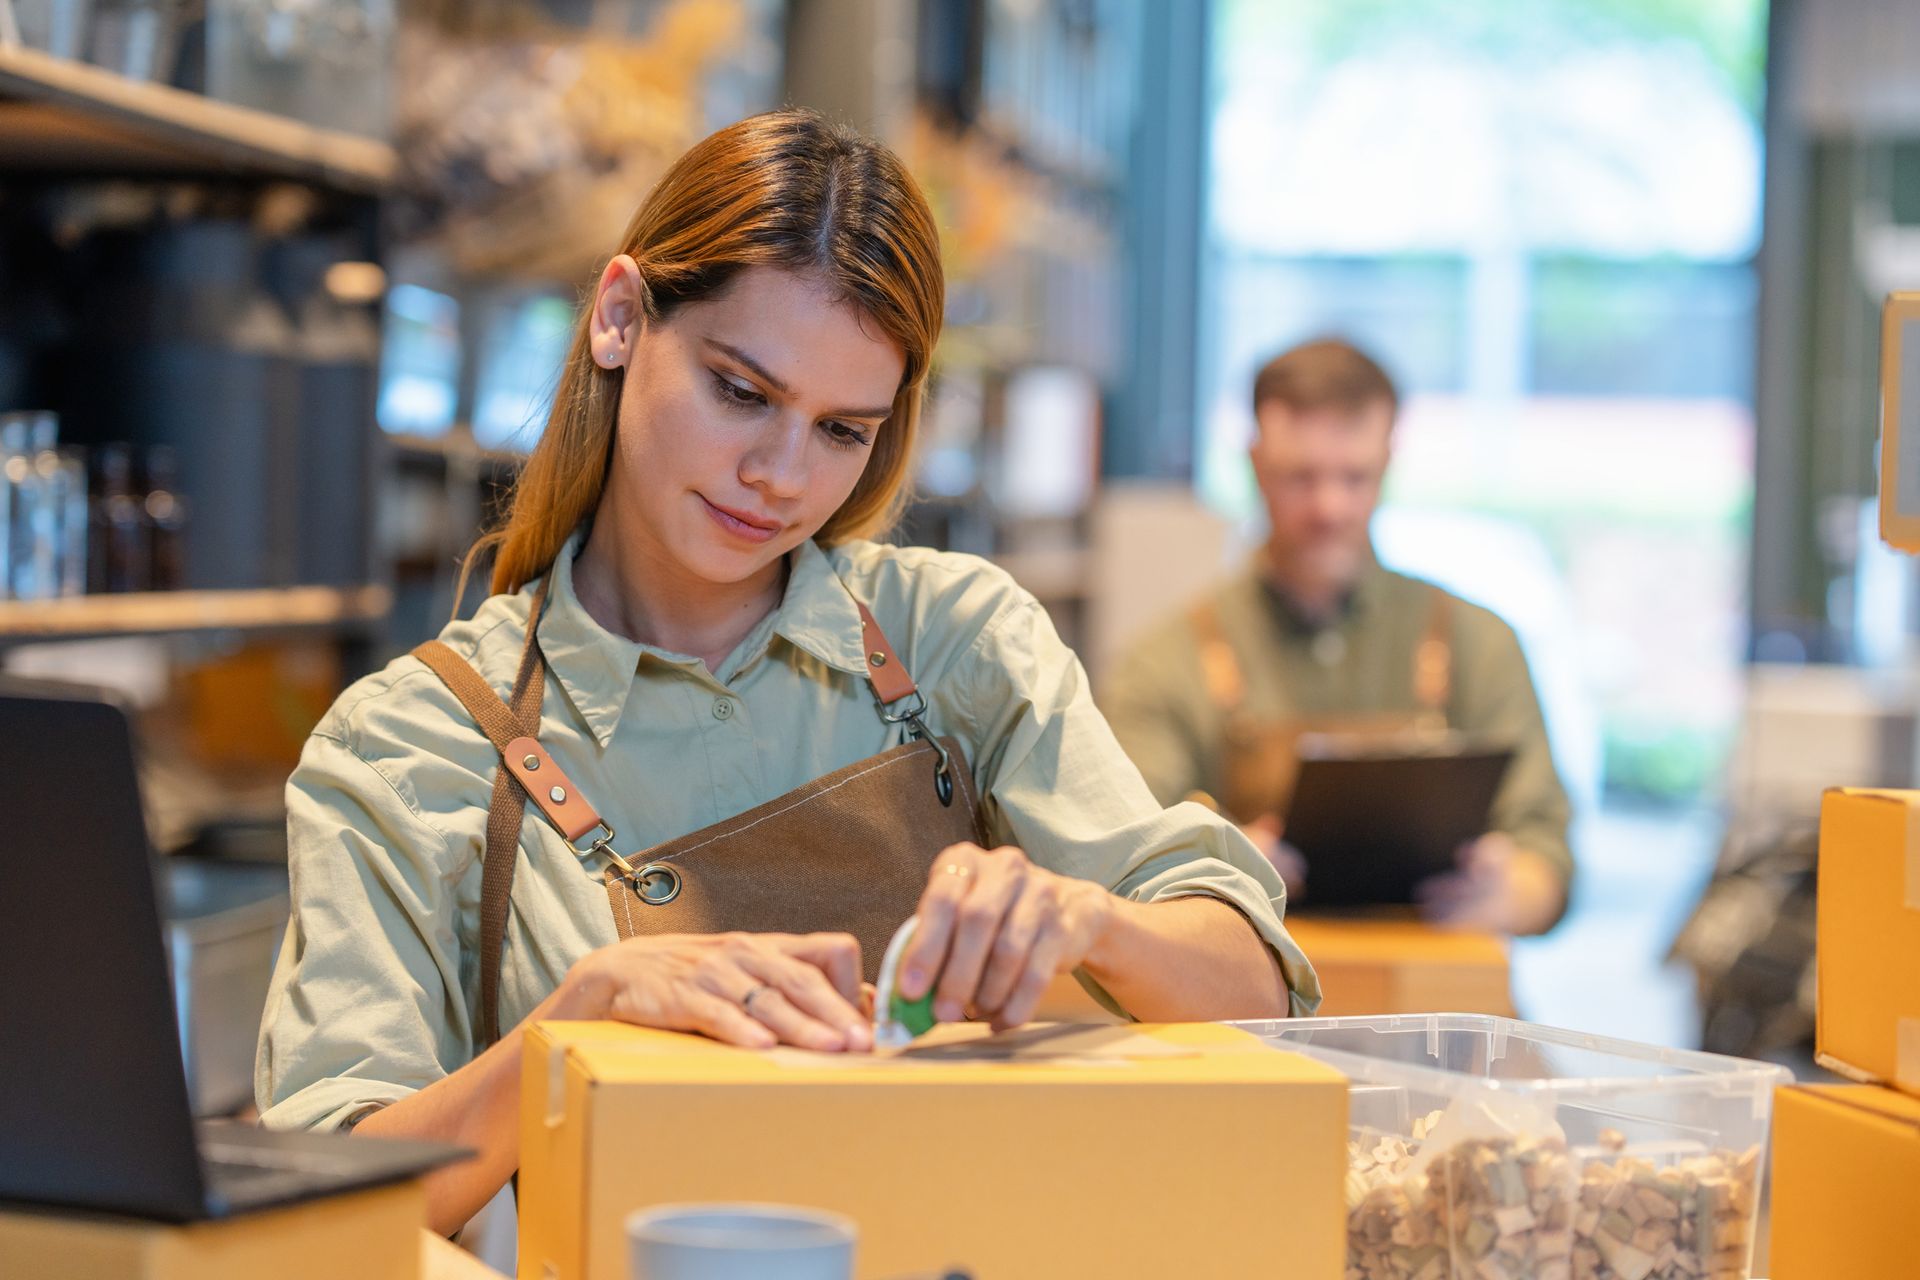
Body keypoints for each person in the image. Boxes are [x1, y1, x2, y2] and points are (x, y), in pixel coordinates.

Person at [256, 110, 1318, 1235]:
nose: (779, 474)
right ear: (620, 318)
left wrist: (1090, 918)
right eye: (741, 392)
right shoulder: (412, 740)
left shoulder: (952, 639)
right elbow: (319, 1206)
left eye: (843, 430)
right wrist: (573, 1025)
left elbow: (1260, 994)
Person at [1102, 338, 1574, 937]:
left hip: (1439, 1003)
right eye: (1301, 477)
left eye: (1356, 477)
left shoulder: (1479, 642)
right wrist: (1221, 868)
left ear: (1388, 461)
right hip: (1248, 1013)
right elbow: (1123, 866)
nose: (1329, 506)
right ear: (1254, 465)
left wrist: (1503, 892)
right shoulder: (1165, 661)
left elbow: (1549, 860)